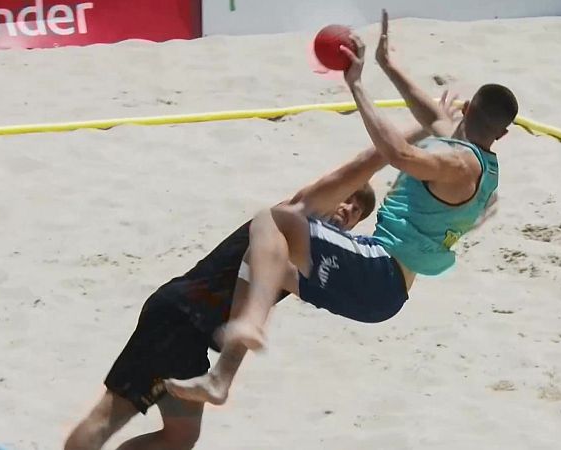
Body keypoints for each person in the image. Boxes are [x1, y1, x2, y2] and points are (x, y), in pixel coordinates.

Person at [166, 9, 518, 406]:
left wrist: (357, 86)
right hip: (384, 296)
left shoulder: (457, 163)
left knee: (277, 221)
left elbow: (397, 153)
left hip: (379, 270)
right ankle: (221, 378)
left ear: (468, 108)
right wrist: (389, 65)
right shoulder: (481, 162)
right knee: (267, 264)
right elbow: (433, 116)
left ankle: (246, 325)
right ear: (503, 133)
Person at [63, 120, 438, 450]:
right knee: (108, 418)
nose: (349, 209)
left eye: (358, 211)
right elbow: (367, 160)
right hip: (178, 316)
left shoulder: (315, 256)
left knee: (180, 438)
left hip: (197, 334)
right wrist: (424, 127)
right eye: (348, 199)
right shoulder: (296, 214)